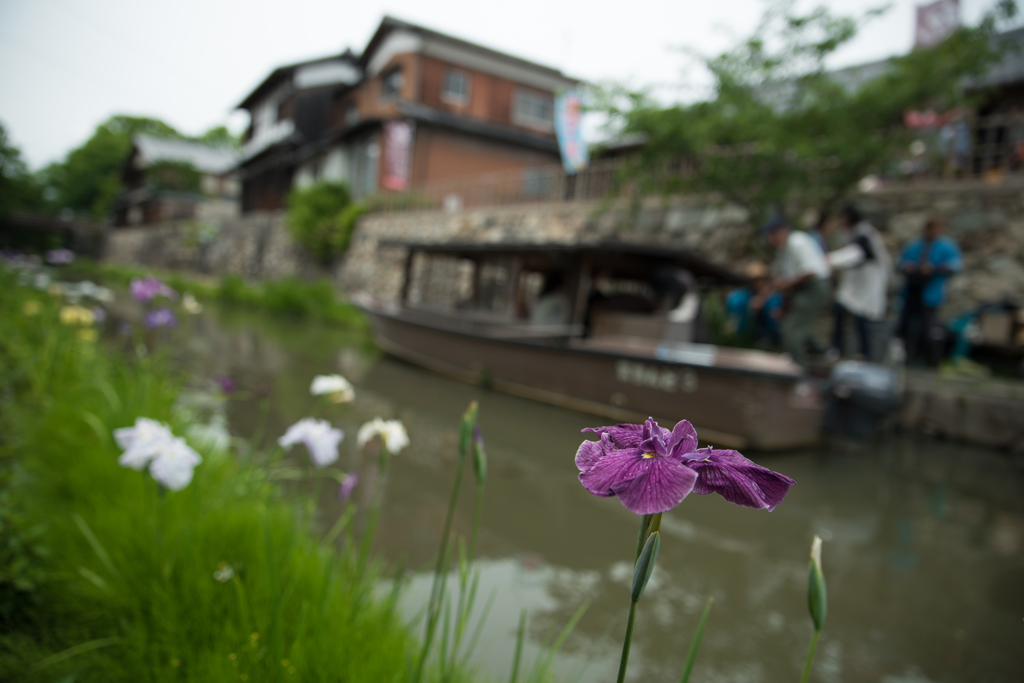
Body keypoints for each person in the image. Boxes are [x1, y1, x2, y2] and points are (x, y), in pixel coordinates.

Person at [762, 216, 832, 367]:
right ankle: (822, 353)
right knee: (794, 324)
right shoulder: (783, 250)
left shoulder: (797, 241)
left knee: (791, 329)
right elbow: (784, 282)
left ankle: (799, 370)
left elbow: (810, 271)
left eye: (772, 235)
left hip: (814, 288)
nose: (770, 240)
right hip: (801, 290)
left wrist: (787, 283)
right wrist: (782, 307)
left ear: (781, 232)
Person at [826, 205, 892, 362]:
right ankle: (837, 348)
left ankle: (864, 355)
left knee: (861, 318)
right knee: (841, 309)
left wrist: (830, 260)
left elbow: (857, 254)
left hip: (868, 283)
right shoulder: (851, 233)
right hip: (855, 284)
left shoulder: (864, 234)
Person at [897, 215, 962, 366]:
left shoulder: (947, 247)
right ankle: (906, 358)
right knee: (905, 326)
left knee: (928, 329)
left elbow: (956, 265)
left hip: (931, 292)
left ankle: (928, 361)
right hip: (912, 290)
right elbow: (900, 262)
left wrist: (935, 268)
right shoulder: (914, 245)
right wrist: (909, 267)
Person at [725, 261, 783, 346]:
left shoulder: (774, 294)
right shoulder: (743, 295)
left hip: (770, 330)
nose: (759, 283)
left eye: (761, 279)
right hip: (748, 330)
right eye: (755, 280)